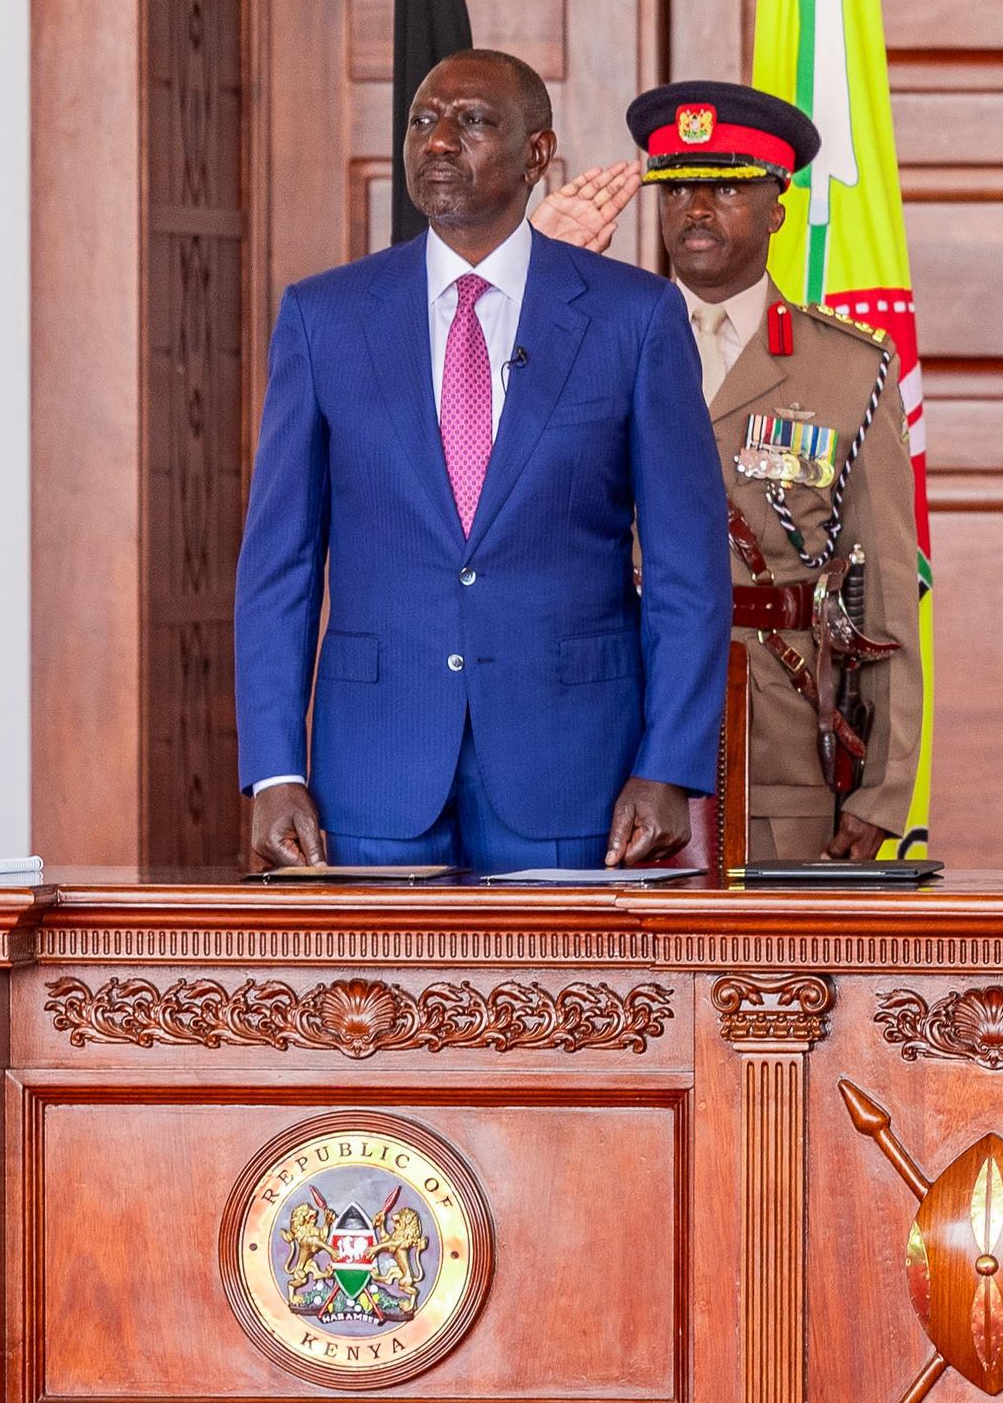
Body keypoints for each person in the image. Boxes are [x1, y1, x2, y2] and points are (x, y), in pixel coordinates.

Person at [236, 47, 734, 872]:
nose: (438, 140)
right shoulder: (323, 317)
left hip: (576, 772)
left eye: (471, 122)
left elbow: (689, 568)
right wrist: (274, 769)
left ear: (537, 153)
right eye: (423, 121)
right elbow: (277, 567)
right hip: (372, 775)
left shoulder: (634, 317)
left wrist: (669, 766)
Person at [617, 78, 925, 864]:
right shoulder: (597, 344)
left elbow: (886, 587)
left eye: (724, 189)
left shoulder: (848, 367)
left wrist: (883, 789)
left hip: (778, 742)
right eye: (677, 189)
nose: (695, 209)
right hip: (617, 719)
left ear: (777, 209)